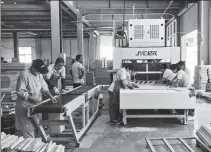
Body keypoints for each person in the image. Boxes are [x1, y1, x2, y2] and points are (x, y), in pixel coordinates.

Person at [15, 59, 57, 138]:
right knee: (28, 131)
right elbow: (20, 91)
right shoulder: (24, 75)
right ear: (34, 69)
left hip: (36, 106)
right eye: (39, 71)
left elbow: (44, 86)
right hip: (25, 107)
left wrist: (51, 96)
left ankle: (37, 147)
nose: (40, 73)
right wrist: (31, 98)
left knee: (38, 128)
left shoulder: (39, 75)